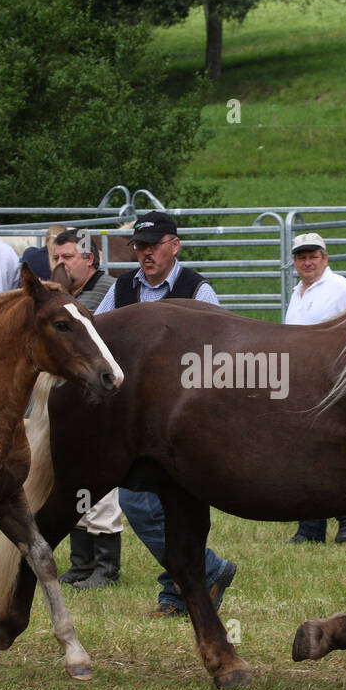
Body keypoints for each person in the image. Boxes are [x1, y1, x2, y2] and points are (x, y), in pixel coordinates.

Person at [93, 211, 237, 617]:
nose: (145, 253)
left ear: (175, 245)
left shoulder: (198, 292)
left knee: (158, 503)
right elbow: (99, 339)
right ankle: (202, 575)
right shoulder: (122, 289)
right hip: (137, 420)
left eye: (154, 245)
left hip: (183, 420)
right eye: (139, 246)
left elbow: (220, 357)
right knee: (146, 502)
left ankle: (181, 591)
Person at [49, 229, 122, 589]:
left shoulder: (109, 291)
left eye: (68, 257)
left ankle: (106, 566)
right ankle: (82, 561)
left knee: (102, 485)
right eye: (56, 258)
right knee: (73, 478)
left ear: (89, 257)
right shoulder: (61, 297)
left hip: (101, 402)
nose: (61, 264)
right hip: (70, 402)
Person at [282, 231, 346, 544]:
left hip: (331, 382)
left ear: (324, 258)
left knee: (320, 451)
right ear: (294, 262)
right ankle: (315, 526)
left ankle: (343, 511)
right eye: (301, 257)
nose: (307, 262)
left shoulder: (341, 288)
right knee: (305, 452)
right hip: (302, 383)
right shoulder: (298, 292)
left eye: (312, 256)